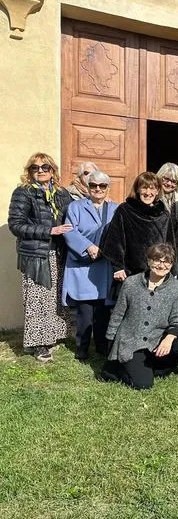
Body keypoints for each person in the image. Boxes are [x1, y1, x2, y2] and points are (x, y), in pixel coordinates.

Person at [101, 243, 178, 390]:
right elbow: (118, 313)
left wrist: (169, 338)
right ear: (148, 261)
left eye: (167, 261)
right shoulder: (131, 283)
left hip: (158, 340)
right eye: (157, 260)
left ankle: (155, 368)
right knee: (144, 384)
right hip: (132, 342)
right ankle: (113, 369)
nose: (162, 265)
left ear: (172, 264)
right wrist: (110, 343)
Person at [8, 153, 73, 362]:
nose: (40, 171)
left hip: (58, 253)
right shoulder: (23, 192)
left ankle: (50, 337)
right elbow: (15, 225)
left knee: (53, 299)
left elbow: (75, 214)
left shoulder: (61, 193)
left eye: (45, 167)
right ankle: (38, 344)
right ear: (29, 172)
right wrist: (49, 231)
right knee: (37, 299)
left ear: (52, 170)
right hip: (35, 254)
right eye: (35, 168)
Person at [62, 170, 118, 362]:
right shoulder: (75, 207)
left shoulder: (115, 208)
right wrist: (88, 246)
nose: (98, 189)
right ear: (88, 186)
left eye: (102, 186)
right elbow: (69, 231)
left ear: (108, 188)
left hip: (104, 265)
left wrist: (104, 249)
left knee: (103, 311)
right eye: (93, 185)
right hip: (83, 266)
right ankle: (82, 348)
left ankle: (102, 347)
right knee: (84, 312)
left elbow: (119, 232)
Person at [101, 172, 177, 284]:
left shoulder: (163, 214)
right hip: (129, 273)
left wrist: (173, 270)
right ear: (137, 190)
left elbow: (170, 244)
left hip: (157, 272)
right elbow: (115, 239)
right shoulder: (125, 210)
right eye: (144, 188)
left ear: (157, 191)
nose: (148, 192)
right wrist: (118, 267)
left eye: (152, 188)